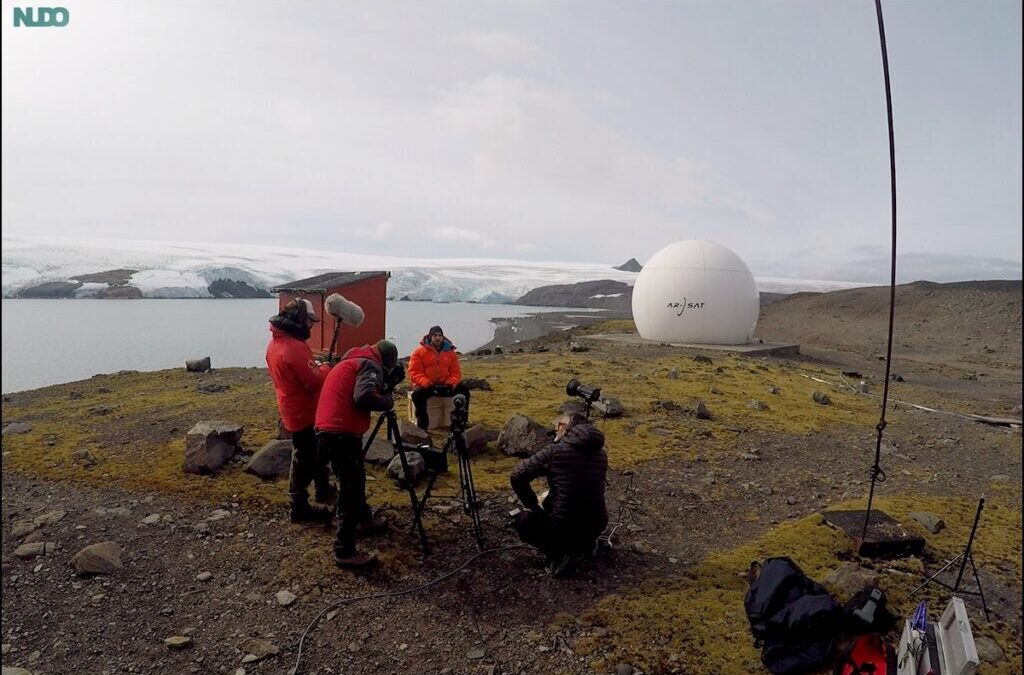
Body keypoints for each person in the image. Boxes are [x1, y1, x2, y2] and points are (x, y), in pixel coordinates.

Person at [315, 339, 400, 568]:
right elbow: (362, 396)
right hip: (342, 431)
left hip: (326, 428)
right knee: (350, 489)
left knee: (355, 478)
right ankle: (344, 551)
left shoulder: (351, 361)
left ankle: (363, 520)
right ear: (387, 361)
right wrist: (387, 400)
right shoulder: (370, 366)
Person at [509, 412, 608, 576]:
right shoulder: (601, 454)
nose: (555, 428)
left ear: (570, 429)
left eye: (560, 424)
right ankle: (585, 544)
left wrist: (533, 506)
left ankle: (558, 552)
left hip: (563, 527)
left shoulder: (555, 451)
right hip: (597, 524)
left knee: (523, 520)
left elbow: (517, 475)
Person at [266, 298, 336, 524]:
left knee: (315, 451)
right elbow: (314, 382)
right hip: (304, 411)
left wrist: (314, 365)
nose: (312, 326)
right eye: (309, 321)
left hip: (293, 407)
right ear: (300, 319)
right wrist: (326, 367)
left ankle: (322, 489)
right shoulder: (294, 347)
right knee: (304, 457)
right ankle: (299, 507)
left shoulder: (277, 343)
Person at [408, 325, 470, 430]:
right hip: (429, 386)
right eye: (435, 335)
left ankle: (462, 422)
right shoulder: (419, 352)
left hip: (445, 385)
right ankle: (423, 426)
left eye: (440, 335)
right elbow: (414, 372)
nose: (437, 338)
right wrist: (426, 383)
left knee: (464, 391)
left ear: (443, 337)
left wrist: (451, 383)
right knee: (417, 395)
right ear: (430, 337)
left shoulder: (450, 352)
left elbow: (456, 372)